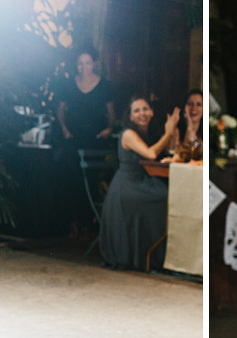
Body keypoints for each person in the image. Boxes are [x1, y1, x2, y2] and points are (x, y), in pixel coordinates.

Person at [99, 94, 179, 270]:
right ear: (130, 116)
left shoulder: (147, 133)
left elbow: (162, 152)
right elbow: (150, 154)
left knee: (171, 193)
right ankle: (157, 256)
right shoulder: (128, 134)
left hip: (142, 183)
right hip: (127, 187)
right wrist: (168, 132)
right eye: (136, 110)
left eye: (145, 109)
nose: (142, 113)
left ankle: (159, 254)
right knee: (166, 197)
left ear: (151, 112)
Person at [57, 48, 116, 150]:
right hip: (73, 139)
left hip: (97, 139)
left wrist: (109, 129)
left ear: (94, 64)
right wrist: (64, 128)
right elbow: (60, 109)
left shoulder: (105, 85)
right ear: (76, 65)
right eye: (80, 63)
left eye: (88, 63)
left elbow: (111, 112)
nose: (84, 67)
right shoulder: (68, 84)